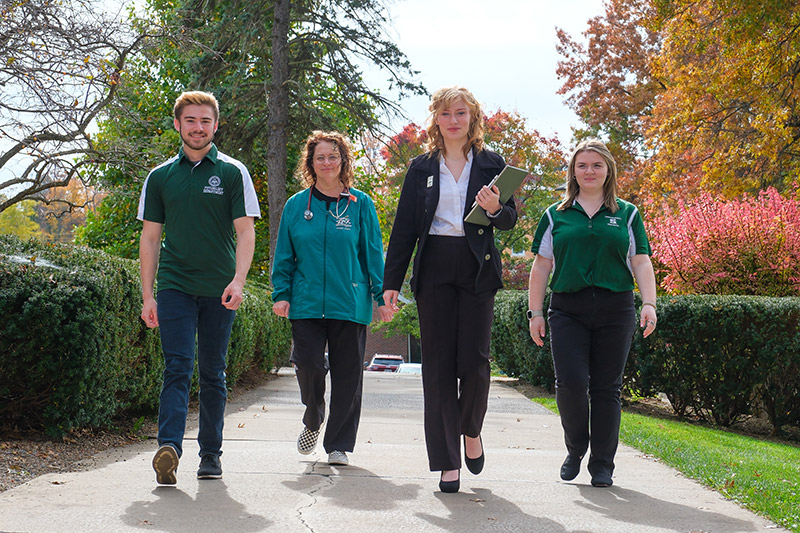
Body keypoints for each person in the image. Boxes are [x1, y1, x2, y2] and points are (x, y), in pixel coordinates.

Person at [383, 86, 518, 493]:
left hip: (477, 267)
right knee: (438, 367)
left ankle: (470, 429)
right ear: (436, 120)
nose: (454, 120)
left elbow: (509, 219)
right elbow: (404, 229)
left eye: (461, 113)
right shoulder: (421, 168)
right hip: (435, 266)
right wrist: (391, 283)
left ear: (472, 118)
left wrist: (495, 208)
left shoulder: (493, 164)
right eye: (446, 113)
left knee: (475, 362)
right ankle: (447, 462)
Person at [138, 90, 260, 485]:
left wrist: (239, 281)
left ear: (215, 125)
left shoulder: (231, 171)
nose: (197, 127)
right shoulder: (160, 177)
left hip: (218, 289)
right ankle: (169, 447)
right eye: (190, 120)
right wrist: (148, 295)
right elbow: (151, 238)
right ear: (178, 124)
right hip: (175, 286)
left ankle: (210, 455)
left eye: (205, 121)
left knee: (213, 372)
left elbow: (246, 232)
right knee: (177, 367)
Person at [527, 138, 657, 488]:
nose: (589, 171)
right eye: (582, 165)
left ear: (608, 171)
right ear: (573, 171)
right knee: (570, 383)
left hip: (616, 308)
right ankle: (575, 447)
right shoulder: (555, 214)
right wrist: (534, 312)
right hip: (568, 309)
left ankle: (602, 464)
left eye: (596, 165)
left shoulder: (627, 213)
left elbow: (641, 260)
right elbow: (541, 266)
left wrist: (649, 303)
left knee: (606, 389)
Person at [271, 131, 392, 467]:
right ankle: (313, 416)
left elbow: (372, 254)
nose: (327, 162)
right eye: (320, 157)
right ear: (311, 163)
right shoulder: (296, 206)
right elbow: (284, 256)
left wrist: (381, 297)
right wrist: (281, 294)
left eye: (333, 156)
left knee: (348, 376)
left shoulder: (361, 204)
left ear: (343, 161)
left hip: (349, 302)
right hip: (306, 302)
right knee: (308, 363)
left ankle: (338, 444)